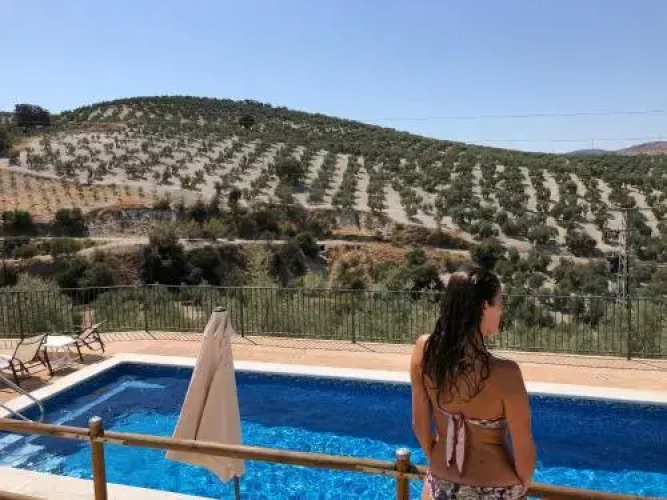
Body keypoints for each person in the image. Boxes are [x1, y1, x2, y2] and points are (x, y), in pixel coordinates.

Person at [410, 268, 536, 500]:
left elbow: (419, 425)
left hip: (441, 484)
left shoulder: (424, 352)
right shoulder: (505, 373)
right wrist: (521, 486)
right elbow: (524, 449)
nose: (502, 310)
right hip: (495, 488)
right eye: (500, 302)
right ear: (484, 306)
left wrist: (438, 463)